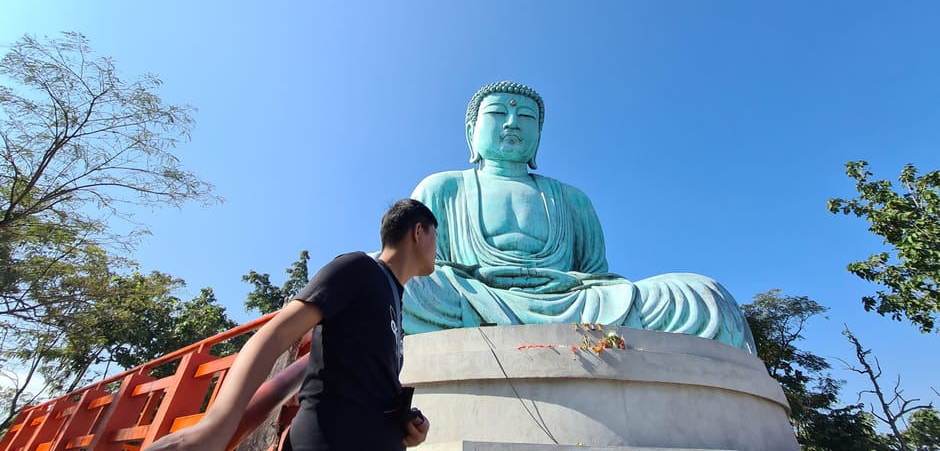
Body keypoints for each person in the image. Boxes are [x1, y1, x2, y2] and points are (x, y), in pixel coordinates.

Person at [402, 81, 756, 353]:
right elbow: (419, 264)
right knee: (391, 280)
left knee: (704, 295)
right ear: (471, 132)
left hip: (573, 302)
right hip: (474, 297)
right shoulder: (442, 188)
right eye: (498, 114)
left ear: (538, 136)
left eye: (526, 118)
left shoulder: (571, 199)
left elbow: (597, 277)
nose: (512, 123)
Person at [146, 199, 438, 451]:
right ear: (418, 232)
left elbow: (367, 382)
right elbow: (276, 334)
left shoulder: (395, 302)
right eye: (436, 237)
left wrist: (404, 428)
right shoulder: (358, 268)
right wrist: (217, 425)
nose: (438, 249)